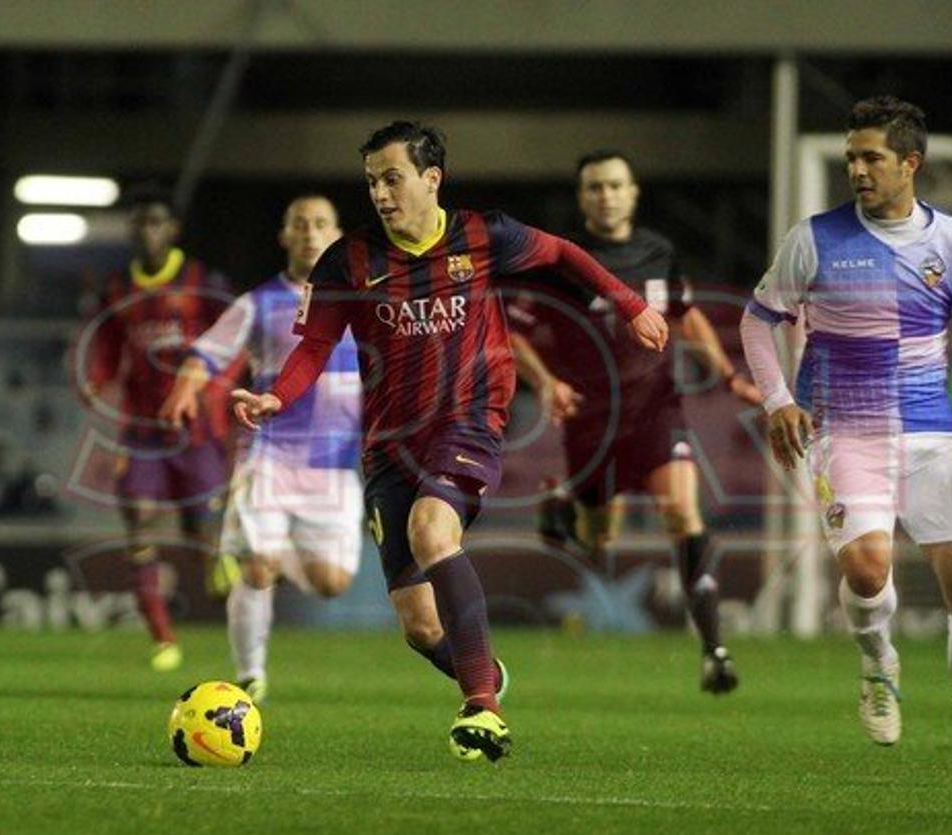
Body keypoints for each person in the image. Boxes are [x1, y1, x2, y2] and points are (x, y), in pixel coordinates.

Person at [231, 121, 668, 762]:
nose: (380, 194)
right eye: (372, 182)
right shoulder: (347, 261)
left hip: (469, 419)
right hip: (390, 444)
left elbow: (562, 253)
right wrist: (276, 397)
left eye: (392, 179)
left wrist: (630, 304)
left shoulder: (483, 234)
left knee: (433, 532)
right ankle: (483, 671)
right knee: (419, 625)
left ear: (431, 178)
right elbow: (315, 346)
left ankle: (482, 707)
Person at [739, 96, 952, 781]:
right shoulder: (815, 238)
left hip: (934, 431)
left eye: (872, 158)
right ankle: (879, 662)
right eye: (851, 158)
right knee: (868, 570)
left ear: (910, 163)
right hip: (846, 429)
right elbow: (757, 321)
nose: (858, 170)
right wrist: (778, 400)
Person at [509, 149, 761, 694]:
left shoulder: (656, 252)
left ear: (633, 193)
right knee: (598, 539)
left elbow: (685, 316)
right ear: (583, 198)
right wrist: (546, 382)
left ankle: (714, 649)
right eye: (595, 187)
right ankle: (563, 512)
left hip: (655, 408)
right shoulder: (560, 262)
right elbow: (514, 333)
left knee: (682, 512)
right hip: (591, 421)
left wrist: (725, 374)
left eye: (615, 185)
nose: (606, 196)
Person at [161, 195, 362, 703]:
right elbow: (207, 354)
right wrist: (185, 389)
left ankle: (259, 553)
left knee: (331, 582)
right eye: (301, 224)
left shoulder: (363, 302)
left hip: (334, 465)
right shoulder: (260, 302)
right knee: (257, 569)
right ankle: (250, 673)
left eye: (321, 224)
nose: (310, 233)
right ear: (284, 236)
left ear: (337, 235)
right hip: (269, 456)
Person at [81, 183, 236, 672]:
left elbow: (235, 337)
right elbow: (106, 344)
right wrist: (96, 378)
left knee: (202, 530)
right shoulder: (117, 289)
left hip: (196, 430)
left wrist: (217, 390)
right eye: (140, 222)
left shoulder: (203, 282)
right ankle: (162, 636)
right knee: (140, 520)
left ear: (173, 228)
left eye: (156, 222)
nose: (147, 231)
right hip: (141, 431)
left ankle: (218, 564)